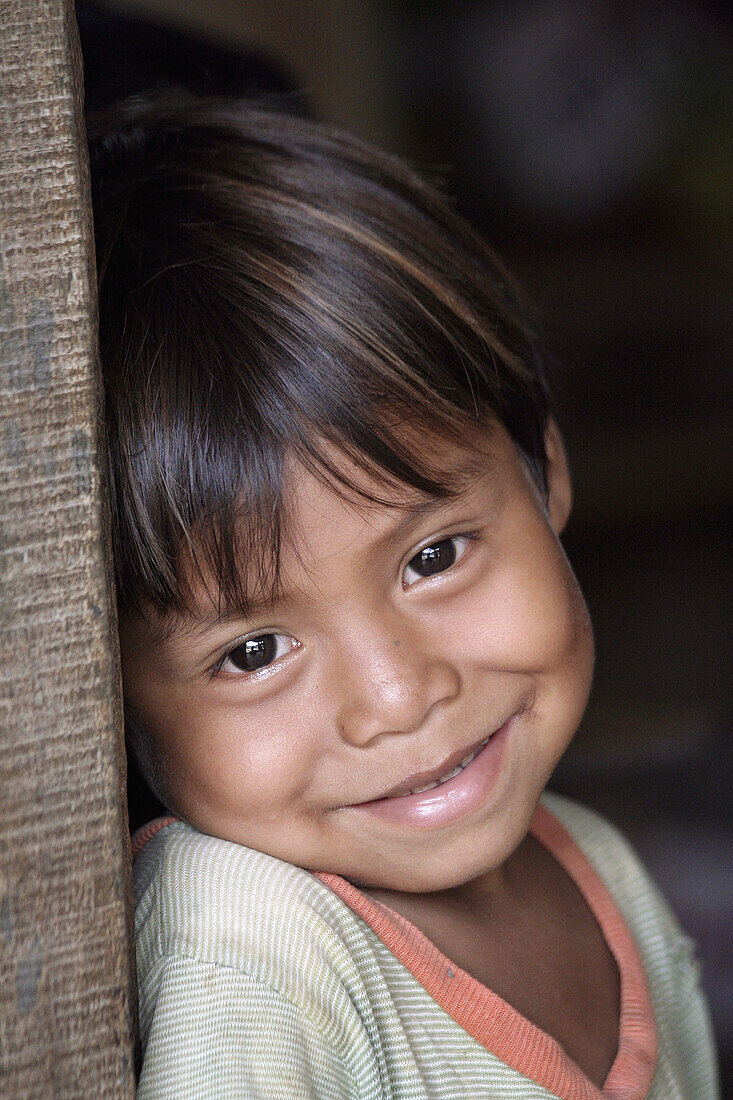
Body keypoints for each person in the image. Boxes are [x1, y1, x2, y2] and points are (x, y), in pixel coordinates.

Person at [88, 96, 719, 1099]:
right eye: (253, 650)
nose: (396, 696)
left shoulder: (599, 866)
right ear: (104, 695)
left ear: (542, 468)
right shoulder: (248, 941)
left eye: (432, 555)